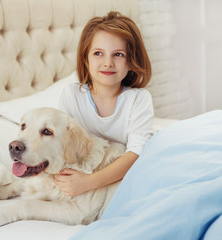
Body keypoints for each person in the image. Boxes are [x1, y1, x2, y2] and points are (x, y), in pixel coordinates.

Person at [55, 11, 154, 197]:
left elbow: (136, 153)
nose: (107, 63)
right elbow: (63, 144)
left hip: (127, 176)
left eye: (118, 54)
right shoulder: (72, 95)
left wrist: (88, 183)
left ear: (131, 62)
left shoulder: (139, 99)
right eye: (98, 53)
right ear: (86, 59)